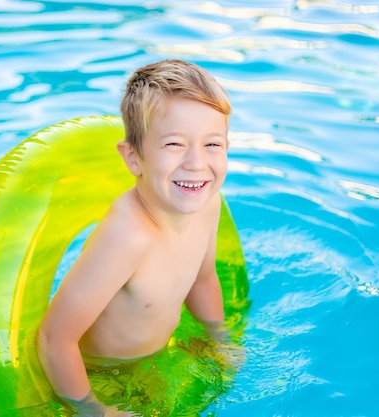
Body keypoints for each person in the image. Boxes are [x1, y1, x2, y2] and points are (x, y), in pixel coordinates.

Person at [37, 59, 232, 416]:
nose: (195, 163)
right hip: (99, 375)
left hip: (157, 357)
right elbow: (54, 339)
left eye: (212, 144)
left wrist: (219, 339)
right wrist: (92, 408)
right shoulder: (127, 237)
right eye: (174, 144)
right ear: (134, 158)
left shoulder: (209, 203)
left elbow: (203, 280)